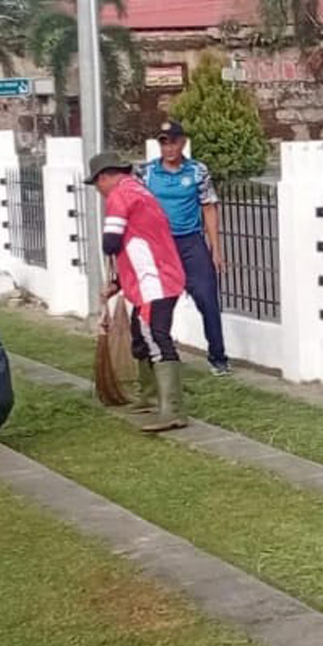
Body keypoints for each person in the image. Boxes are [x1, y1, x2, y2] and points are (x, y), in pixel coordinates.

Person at [87, 151, 189, 433]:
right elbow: (137, 244)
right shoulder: (140, 192)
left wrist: (110, 258)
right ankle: (150, 396)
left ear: (105, 176)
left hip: (154, 282)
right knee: (141, 338)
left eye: (96, 184)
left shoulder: (119, 195)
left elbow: (111, 240)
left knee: (156, 338)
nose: (97, 190)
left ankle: (173, 410)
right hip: (157, 277)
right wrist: (118, 282)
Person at [141, 120, 230, 376]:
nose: (168, 148)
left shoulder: (197, 171)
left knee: (207, 299)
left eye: (173, 142)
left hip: (191, 242)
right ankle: (163, 357)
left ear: (183, 143)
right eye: (163, 142)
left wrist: (215, 249)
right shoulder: (146, 173)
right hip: (160, 245)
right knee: (160, 303)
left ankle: (218, 357)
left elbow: (209, 206)